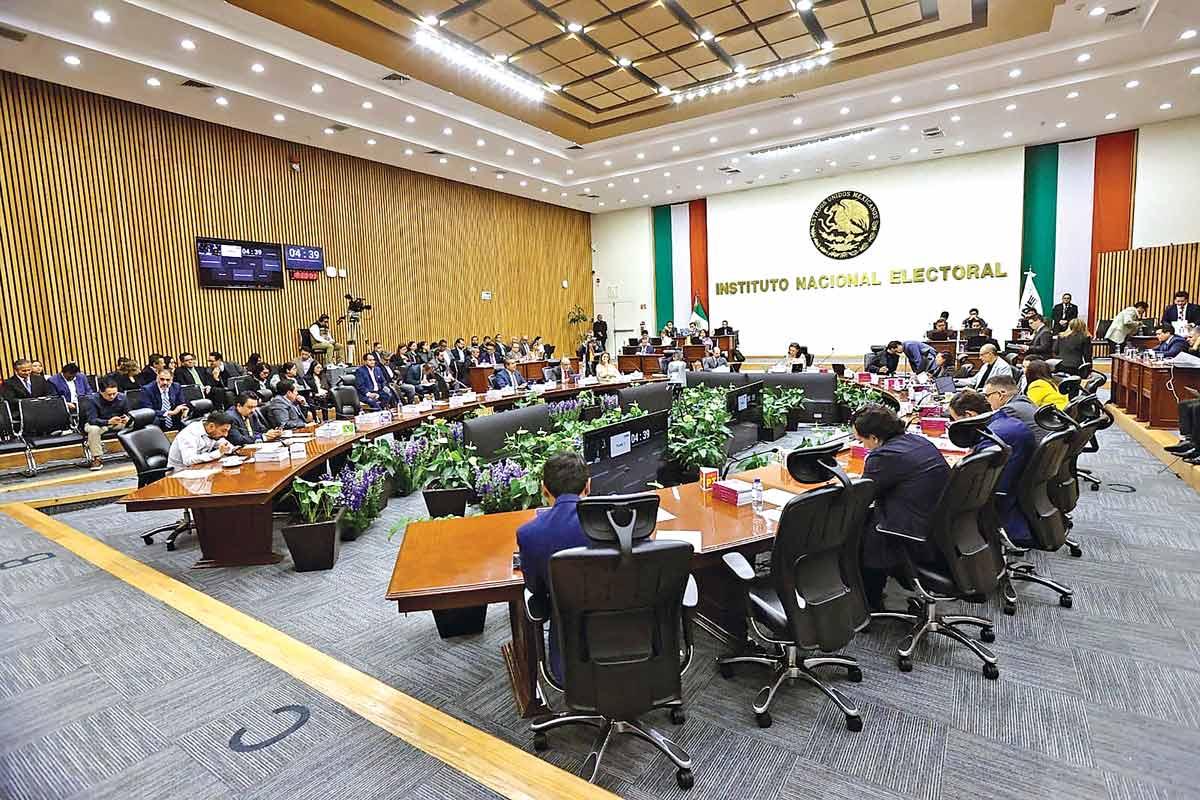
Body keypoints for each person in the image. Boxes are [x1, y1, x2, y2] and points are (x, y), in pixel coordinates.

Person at [853, 404, 950, 610]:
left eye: (861, 441)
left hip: (913, 537)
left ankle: (869, 603)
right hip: (942, 533)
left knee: (858, 531)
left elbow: (860, 499)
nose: (862, 445)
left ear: (874, 438)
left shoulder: (883, 456)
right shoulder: (918, 441)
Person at [516, 452, 591, 682]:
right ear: (588, 486)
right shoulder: (623, 522)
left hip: (571, 657)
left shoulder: (529, 534)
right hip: (638, 643)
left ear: (544, 490)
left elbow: (535, 590)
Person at [947, 389, 1035, 545]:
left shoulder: (992, 438)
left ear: (969, 415)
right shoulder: (1006, 422)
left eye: (954, 420)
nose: (953, 424)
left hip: (996, 498)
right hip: (1017, 491)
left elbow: (969, 479)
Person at [983, 374, 1046, 444]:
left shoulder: (1009, 410)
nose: (986, 400)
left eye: (987, 395)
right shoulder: (1024, 402)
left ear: (1000, 394)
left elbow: (991, 434)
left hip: (1037, 450)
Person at [81, 378, 129, 470]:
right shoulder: (92, 400)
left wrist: (127, 418)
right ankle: (97, 458)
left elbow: (128, 413)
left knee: (136, 422)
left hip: (117, 423)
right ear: (101, 392)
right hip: (99, 424)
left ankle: (138, 451)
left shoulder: (122, 397)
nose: (112, 396)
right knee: (93, 429)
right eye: (109, 394)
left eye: (114, 393)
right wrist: (108, 422)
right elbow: (92, 420)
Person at [167, 410, 235, 470]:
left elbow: (224, 445)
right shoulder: (190, 433)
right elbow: (188, 460)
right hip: (179, 472)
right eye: (223, 431)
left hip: (200, 469)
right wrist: (218, 453)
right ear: (211, 426)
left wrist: (235, 449)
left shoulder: (213, 432)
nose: (226, 435)